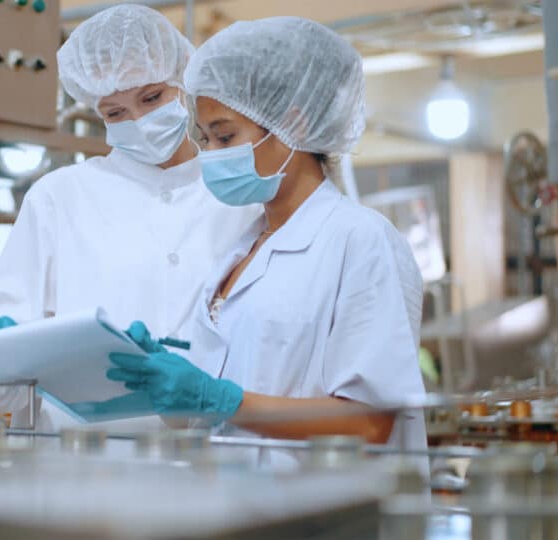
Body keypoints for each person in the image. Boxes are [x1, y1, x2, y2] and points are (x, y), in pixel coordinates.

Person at [104, 17, 428, 470]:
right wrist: (163, 376)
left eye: (226, 135)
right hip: (238, 509)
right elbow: (215, 410)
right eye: (205, 138)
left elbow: (371, 424)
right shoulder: (241, 249)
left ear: (291, 123)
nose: (211, 154)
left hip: (324, 517)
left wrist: (220, 399)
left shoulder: (360, 240)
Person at [0, 5, 261, 430]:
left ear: (182, 82)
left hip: (207, 461)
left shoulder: (237, 197)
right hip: (79, 466)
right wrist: (3, 357)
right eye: (115, 112)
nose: (138, 121)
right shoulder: (59, 197)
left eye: (151, 97)